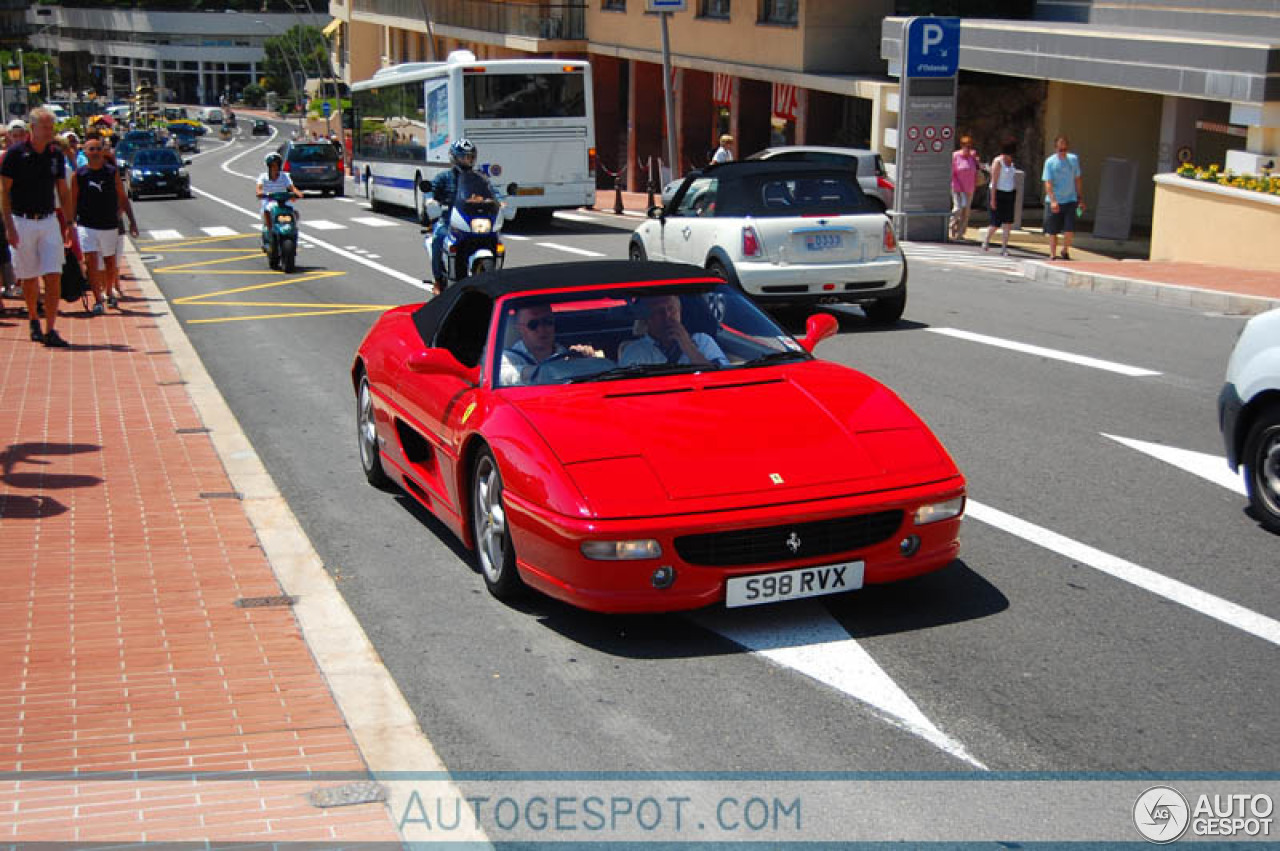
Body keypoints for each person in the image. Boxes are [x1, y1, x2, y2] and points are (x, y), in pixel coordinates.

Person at [1, 107, 75, 347]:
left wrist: (70, 222)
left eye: (51, 127)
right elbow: (4, 191)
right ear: (33, 128)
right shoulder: (15, 154)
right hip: (22, 221)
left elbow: (63, 191)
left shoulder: (55, 154)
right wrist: (9, 226)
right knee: (29, 276)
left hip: (48, 220)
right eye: (45, 127)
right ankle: (34, 317)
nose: (49, 131)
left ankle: (50, 328)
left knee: (54, 274)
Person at [72, 131, 138, 314]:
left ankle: (109, 291)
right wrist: (69, 226)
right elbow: (72, 200)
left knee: (109, 262)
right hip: (86, 224)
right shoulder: (79, 175)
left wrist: (132, 220)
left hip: (109, 223)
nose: (94, 152)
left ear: (103, 151)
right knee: (90, 261)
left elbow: (122, 197)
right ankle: (97, 299)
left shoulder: (111, 173)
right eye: (91, 149)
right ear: (85, 152)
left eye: (98, 149)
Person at [427, 138, 499, 294]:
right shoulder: (444, 177)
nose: (468, 160)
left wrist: (501, 201)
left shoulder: (480, 177)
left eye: (470, 157)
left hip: (471, 218)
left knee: (496, 239)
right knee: (438, 239)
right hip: (449, 219)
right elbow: (431, 191)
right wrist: (431, 201)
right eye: (463, 157)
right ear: (454, 157)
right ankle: (438, 280)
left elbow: (493, 191)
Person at [499, 304, 599, 386]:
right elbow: (503, 376)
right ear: (520, 329)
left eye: (548, 322)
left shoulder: (567, 356)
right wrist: (545, 371)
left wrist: (588, 362)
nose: (542, 329)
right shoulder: (506, 359)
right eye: (533, 324)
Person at [620, 294, 728, 368]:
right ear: (648, 318)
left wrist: (689, 347)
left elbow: (723, 378)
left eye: (671, 309)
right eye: (659, 311)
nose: (667, 316)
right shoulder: (635, 352)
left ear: (680, 312)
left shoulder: (703, 341)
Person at [1042, 134, 1084, 260]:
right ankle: (1052, 253)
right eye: (1060, 150)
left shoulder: (1073, 160)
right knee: (1053, 230)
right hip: (1055, 200)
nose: (1063, 152)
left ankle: (1065, 250)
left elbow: (1077, 179)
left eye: (1065, 150)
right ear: (1055, 148)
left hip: (1070, 199)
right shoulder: (1050, 162)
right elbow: (1048, 183)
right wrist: (1053, 201)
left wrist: (1080, 198)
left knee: (1069, 229)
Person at [982, 138, 1019, 256]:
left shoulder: (1012, 163)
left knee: (1008, 223)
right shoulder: (998, 162)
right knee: (995, 223)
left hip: (1009, 193)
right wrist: (993, 199)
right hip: (998, 192)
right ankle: (986, 240)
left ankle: (1004, 247)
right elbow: (994, 181)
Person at [256, 152, 302, 233]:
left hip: (283, 200)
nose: (275, 167)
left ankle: (292, 228)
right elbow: (259, 189)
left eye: (277, 164)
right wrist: (261, 193)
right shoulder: (263, 176)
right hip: (269, 200)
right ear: (269, 166)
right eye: (272, 165)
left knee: (294, 212)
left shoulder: (284, 176)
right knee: (267, 210)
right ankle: (270, 231)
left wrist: (297, 193)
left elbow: (292, 187)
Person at [949, 135, 981, 241]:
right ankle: (951, 226)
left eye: (969, 146)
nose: (967, 148)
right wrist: (958, 187)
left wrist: (977, 161)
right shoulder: (955, 156)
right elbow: (952, 173)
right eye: (965, 146)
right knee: (957, 208)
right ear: (961, 146)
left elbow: (976, 170)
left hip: (969, 188)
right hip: (957, 187)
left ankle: (960, 233)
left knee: (966, 211)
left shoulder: (973, 156)